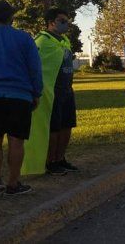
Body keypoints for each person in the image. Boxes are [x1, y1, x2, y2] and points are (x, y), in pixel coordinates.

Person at [0, 1, 42, 197]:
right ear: (11, 17)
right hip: (20, 95)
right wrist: (36, 93)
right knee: (16, 141)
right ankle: (13, 183)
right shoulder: (24, 38)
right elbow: (35, 68)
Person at [31, 9, 78, 177]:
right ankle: (51, 161)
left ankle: (60, 158)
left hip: (67, 89)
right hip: (52, 91)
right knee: (54, 128)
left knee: (67, 125)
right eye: (62, 20)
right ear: (51, 22)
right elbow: (33, 65)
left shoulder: (64, 40)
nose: (66, 24)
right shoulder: (42, 41)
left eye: (67, 20)